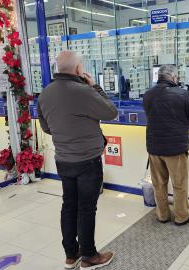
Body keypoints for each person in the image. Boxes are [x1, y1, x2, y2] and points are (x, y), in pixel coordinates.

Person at [37, 51, 117, 270]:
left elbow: (46, 127)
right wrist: (95, 87)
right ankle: (90, 256)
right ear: (78, 69)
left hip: (63, 160)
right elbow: (111, 112)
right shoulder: (83, 91)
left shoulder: (45, 94)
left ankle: (71, 255)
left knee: (69, 206)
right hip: (88, 161)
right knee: (86, 208)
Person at [143, 65, 189, 226]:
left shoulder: (148, 94)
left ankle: (162, 215)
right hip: (175, 149)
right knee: (179, 185)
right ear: (173, 77)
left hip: (154, 147)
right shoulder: (181, 93)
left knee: (159, 184)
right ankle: (181, 217)